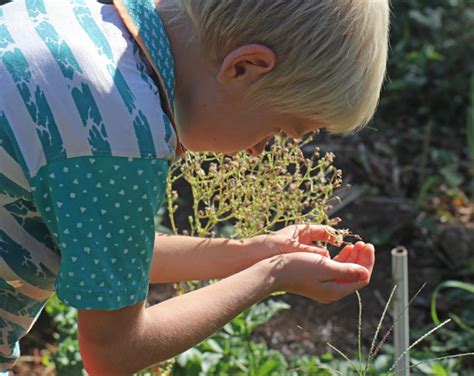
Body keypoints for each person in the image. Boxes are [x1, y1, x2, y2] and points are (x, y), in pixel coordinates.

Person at [0, 0, 388, 374]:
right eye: (277, 130)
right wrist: (272, 275)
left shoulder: (75, 18)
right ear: (243, 68)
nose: (257, 152)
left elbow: (108, 252)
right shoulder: (119, 135)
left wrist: (254, 252)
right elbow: (113, 354)